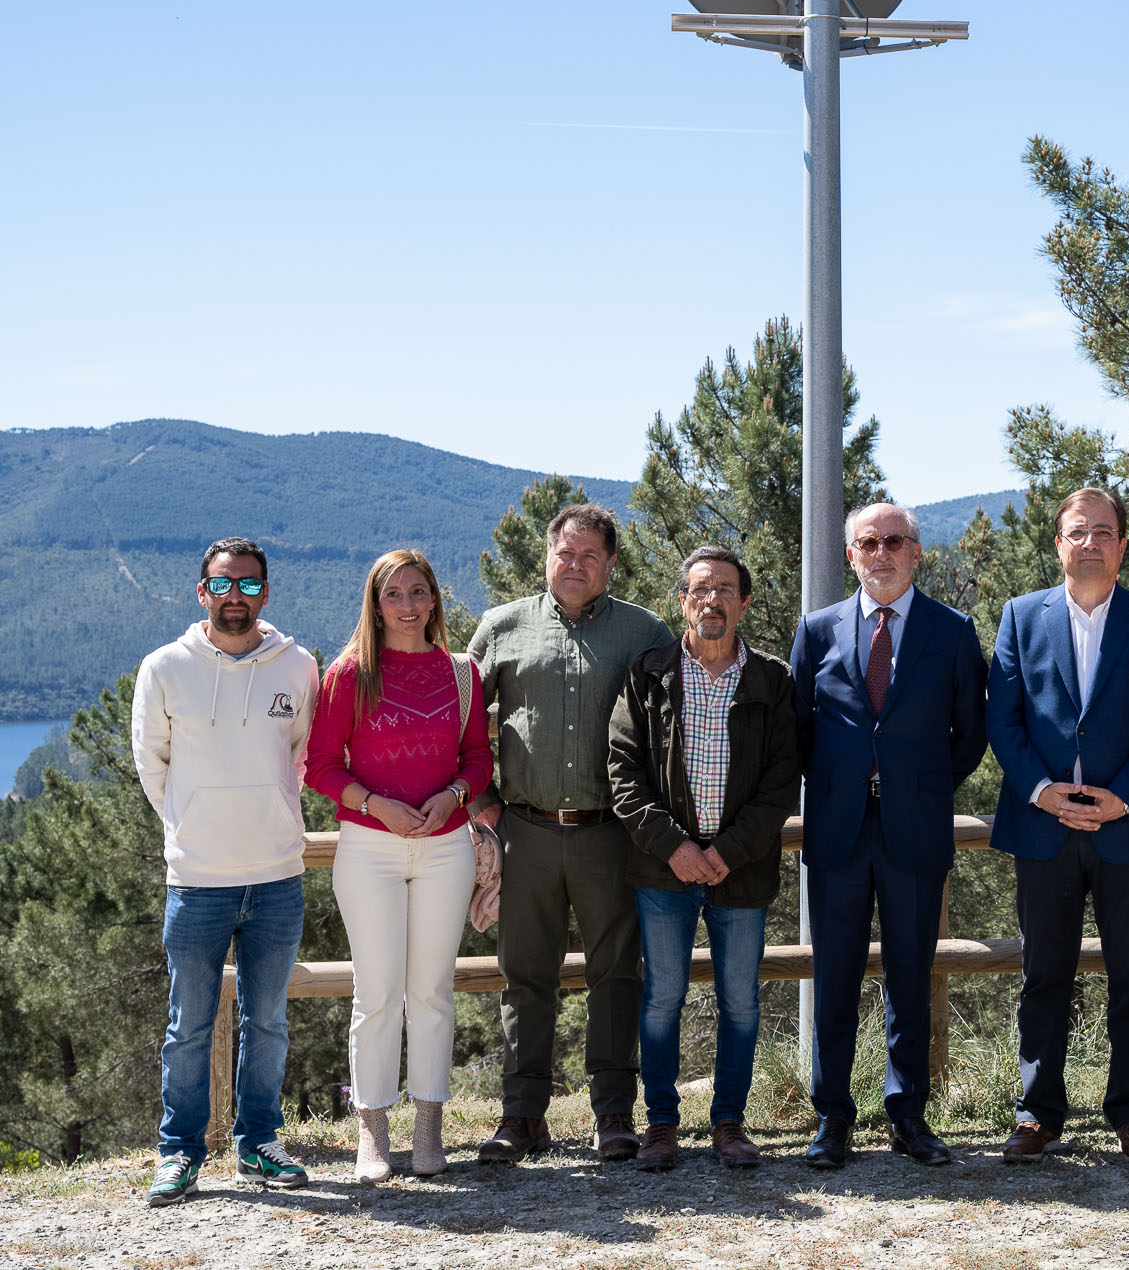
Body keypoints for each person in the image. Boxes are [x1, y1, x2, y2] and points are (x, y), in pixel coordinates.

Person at [466, 503, 673, 1164]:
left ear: (610, 563)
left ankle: (613, 1114)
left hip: (612, 834)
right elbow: (463, 727)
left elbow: (668, 732)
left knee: (616, 974)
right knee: (524, 977)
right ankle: (522, 1116)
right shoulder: (502, 628)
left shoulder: (645, 633)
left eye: (590, 555)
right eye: (565, 553)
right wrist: (484, 802)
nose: (575, 565)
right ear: (545, 557)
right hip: (523, 831)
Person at [788, 502, 987, 1169]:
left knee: (909, 978)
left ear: (916, 551)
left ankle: (908, 1116)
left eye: (894, 540)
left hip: (914, 826)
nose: (881, 552)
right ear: (850, 555)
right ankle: (831, 1121)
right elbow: (799, 731)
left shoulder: (953, 632)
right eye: (868, 542)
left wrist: (915, 781)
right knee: (834, 980)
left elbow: (969, 735)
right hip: (838, 830)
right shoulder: (815, 632)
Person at [986, 488, 1129, 1165]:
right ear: (1058, 543)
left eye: (1104, 531)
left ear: (1122, 545)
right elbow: (1002, 721)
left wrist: (1121, 797)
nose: (1090, 542)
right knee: (1045, 974)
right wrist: (1041, 793)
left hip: (1126, 824)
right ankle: (1038, 1113)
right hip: (1042, 826)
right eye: (1078, 531)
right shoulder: (1019, 616)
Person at [133, 537, 320, 1207]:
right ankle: (177, 1153)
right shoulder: (164, 668)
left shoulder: (298, 666)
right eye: (222, 585)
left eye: (247, 585)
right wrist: (194, 823)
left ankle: (259, 1145)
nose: (234, 597)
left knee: (267, 1021)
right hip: (197, 880)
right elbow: (152, 764)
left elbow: (299, 758)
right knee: (188, 1023)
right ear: (201, 592)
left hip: (276, 876)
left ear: (265, 594)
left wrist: (265, 814)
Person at [609, 546, 800, 1172]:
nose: (711, 600)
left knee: (740, 1002)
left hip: (740, 872)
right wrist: (677, 849)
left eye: (724, 589)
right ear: (681, 601)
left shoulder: (771, 681)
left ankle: (729, 1123)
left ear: (744, 602)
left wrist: (724, 851)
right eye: (699, 590)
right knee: (662, 997)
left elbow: (781, 783)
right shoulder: (649, 673)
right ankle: (660, 1124)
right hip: (663, 871)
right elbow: (623, 773)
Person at [305, 549, 492, 1183]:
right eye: (394, 595)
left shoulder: (463, 672)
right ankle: (373, 1136)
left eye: (418, 592)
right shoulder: (348, 675)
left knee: (432, 993)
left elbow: (477, 759)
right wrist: (376, 804)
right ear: (376, 604)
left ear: (434, 599)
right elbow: (321, 767)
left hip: (445, 848)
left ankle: (430, 1133)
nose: (408, 605)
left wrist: (456, 796)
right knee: (378, 993)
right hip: (370, 849)